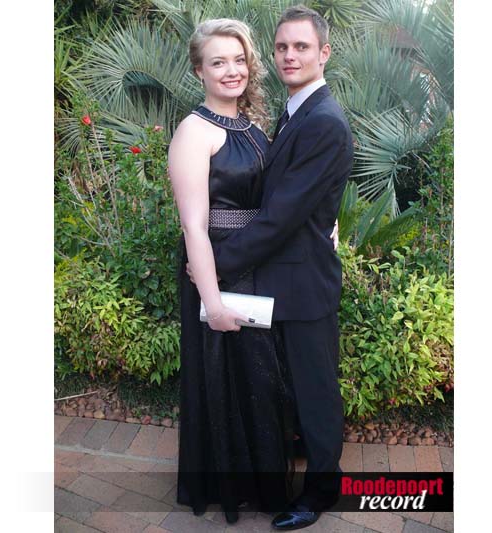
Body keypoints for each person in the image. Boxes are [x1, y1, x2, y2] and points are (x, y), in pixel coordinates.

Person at [206, 6, 354, 530]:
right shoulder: (297, 112)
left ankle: (321, 492)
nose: (290, 56)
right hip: (282, 279)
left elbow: (280, 218)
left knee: (315, 394)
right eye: (283, 47)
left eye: (302, 47)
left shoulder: (324, 122)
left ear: (324, 53)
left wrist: (214, 264)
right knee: (290, 389)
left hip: (304, 285)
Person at [167, 18, 296, 525]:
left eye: (239, 60)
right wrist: (212, 301)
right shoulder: (194, 132)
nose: (231, 70)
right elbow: (193, 226)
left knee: (260, 379)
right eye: (218, 61)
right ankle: (231, 486)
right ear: (198, 70)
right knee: (226, 378)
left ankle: (257, 483)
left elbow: (279, 197)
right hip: (217, 269)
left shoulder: (252, 127)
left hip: (256, 263)